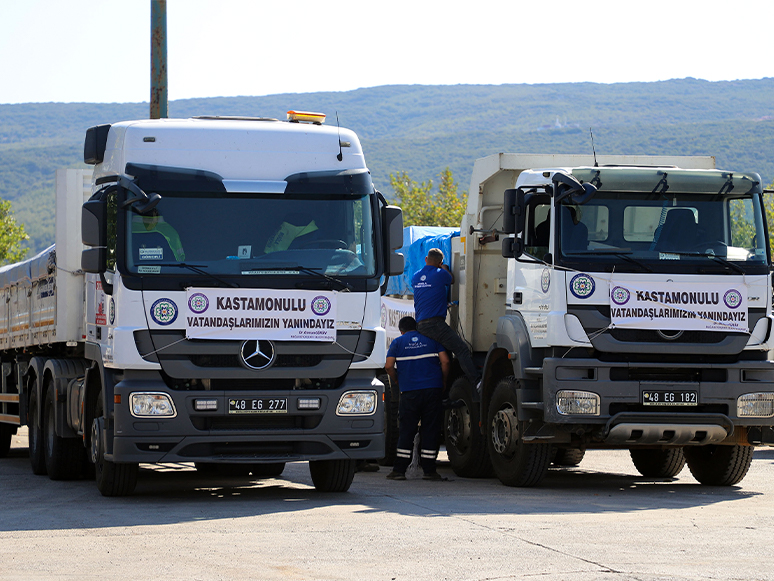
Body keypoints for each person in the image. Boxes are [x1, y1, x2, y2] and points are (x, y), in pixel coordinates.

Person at [384, 316, 450, 481]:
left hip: (410, 392)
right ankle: (429, 470)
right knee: (430, 429)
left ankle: (399, 470)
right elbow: (446, 361)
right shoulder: (431, 340)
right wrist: (443, 381)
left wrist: (397, 379)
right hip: (432, 390)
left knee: (407, 429)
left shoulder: (398, 343)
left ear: (401, 330)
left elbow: (388, 366)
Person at [411, 248, 479, 388]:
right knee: (461, 350)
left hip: (421, 325)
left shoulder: (416, 276)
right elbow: (452, 279)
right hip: (435, 325)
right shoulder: (441, 273)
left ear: (425, 259)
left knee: (445, 354)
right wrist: (444, 267)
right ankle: (477, 382)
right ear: (440, 262)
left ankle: (444, 389)